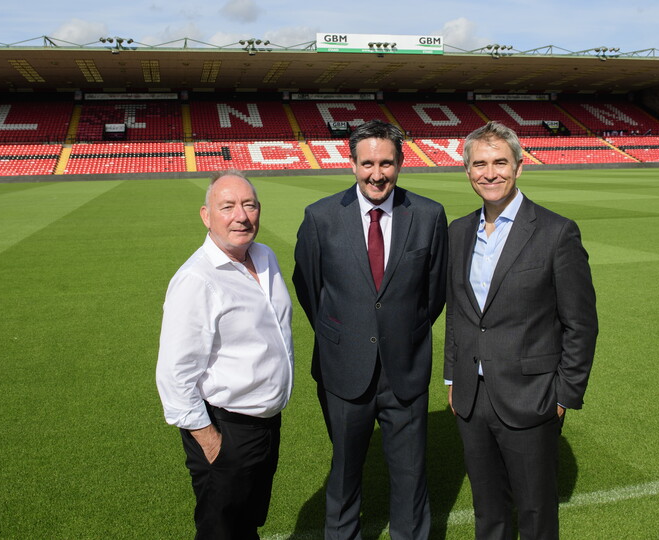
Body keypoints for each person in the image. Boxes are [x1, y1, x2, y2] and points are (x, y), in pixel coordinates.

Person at [293, 120, 448, 540]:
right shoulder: (321, 217)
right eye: (367, 164)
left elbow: (433, 295)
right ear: (352, 163)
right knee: (343, 477)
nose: (376, 174)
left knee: (411, 478)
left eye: (386, 163)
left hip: (406, 370)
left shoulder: (430, 215)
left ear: (400, 163)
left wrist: (401, 331)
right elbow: (309, 288)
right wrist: (345, 332)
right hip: (344, 371)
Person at [444, 122, 598, 540]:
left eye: (499, 162)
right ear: (467, 171)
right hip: (472, 397)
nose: (489, 173)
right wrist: (453, 377)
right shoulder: (457, 232)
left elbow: (581, 323)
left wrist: (565, 394)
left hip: (531, 397)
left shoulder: (556, 231)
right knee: (487, 511)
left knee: (534, 513)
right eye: (479, 164)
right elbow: (457, 312)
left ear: (519, 167)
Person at [155, 170, 294, 540]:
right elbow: (174, 374)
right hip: (225, 428)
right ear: (206, 215)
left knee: (246, 524)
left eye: (249, 205)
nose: (241, 216)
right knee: (221, 530)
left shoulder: (265, 257)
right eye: (228, 206)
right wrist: (212, 442)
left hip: (264, 424)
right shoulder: (197, 279)